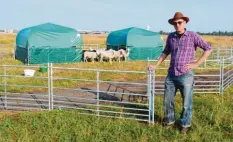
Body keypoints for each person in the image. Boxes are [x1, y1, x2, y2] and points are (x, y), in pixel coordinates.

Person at [148, 12, 212, 133]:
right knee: (167, 100)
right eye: (175, 23)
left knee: (187, 102)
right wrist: (155, 65)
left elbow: (208, 48)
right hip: (171, 75)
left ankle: (185, 124)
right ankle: (169, 121)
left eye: (180, 22)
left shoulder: (193, 36)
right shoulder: (171, 37)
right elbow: (165, 52)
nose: (177, 25)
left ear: (185, 22)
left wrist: (197, 63)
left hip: (186, 75)